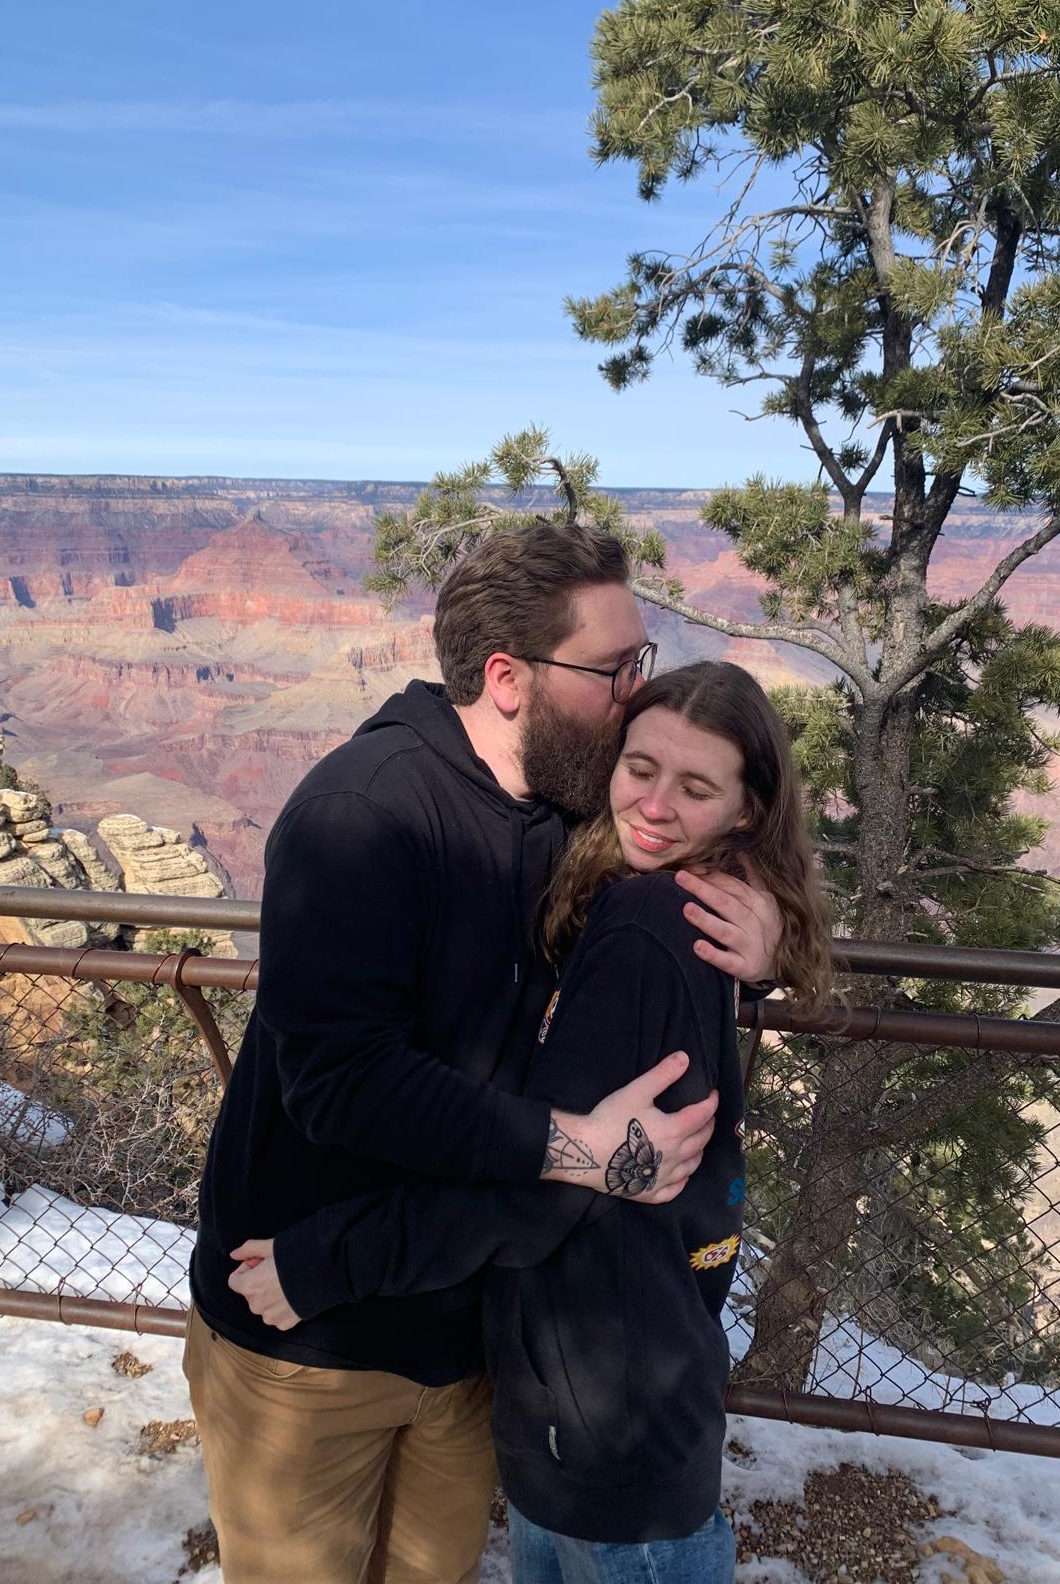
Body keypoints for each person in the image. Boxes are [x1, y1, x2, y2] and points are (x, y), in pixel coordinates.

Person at [185, 526, 782, 1584]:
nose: (637, 693)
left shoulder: (568, 801)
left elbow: (673, 866)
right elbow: (342, 1083)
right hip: (311, 1330)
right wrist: (574, 1148)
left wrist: (763, 946)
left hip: (464, 1337)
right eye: (615, 670)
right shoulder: (363, 818)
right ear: (509, 678)